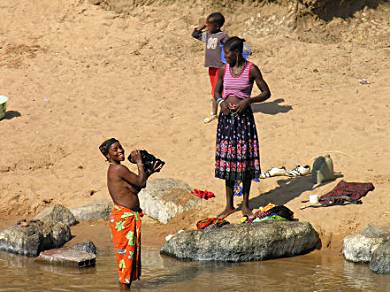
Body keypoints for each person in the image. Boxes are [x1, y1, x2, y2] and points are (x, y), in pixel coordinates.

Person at [214, 37, 271, 218]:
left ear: (237, 53)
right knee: (228, 161)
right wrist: (221, 102)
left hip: (244, 120)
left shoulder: (251, 70)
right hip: (226, 120)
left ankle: (245, 204)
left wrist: (249, 100)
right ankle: (229, 205)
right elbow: (216, 92)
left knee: (245, 162)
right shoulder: (224, 70)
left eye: (228, 54)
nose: (225, 58)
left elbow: (266, 92)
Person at [99, 138, 162, 289]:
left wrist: (149, 172)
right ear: (108, 156)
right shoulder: (118, 169)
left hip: (125, 218)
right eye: (115, 150)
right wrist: (139, 161)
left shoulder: (117, 170)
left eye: (120, 147)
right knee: (125, 265)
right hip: (124, 220)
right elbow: (140, 182)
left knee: (127, 262)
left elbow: (134, 189)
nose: (120, 151)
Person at [192, 12, 229, 124]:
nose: (207, 27)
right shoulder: (207, 35)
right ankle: (214, 113)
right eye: (206, 24)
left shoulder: (223, 36)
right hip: (211, 68)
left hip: (220, 68)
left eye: (209, 25)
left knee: (217, 91)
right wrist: (202, 25)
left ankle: (221, 112)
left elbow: (231, 46)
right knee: (215, 91)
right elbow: (195, 34)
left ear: (217, 26)